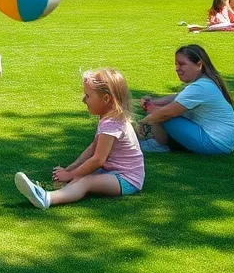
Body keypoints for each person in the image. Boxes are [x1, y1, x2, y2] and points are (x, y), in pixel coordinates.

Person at [14, 68, 143, 209]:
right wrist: (70, 170)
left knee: (86, 181)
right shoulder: (108, 119)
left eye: (88, 95)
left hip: (127, 179)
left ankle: (47, 198)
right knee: (81, 176)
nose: (83, 100)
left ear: (106, 99)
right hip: (114, 172)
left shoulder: (112, 124)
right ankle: (53, 191)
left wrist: (70, 175)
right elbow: (92, 148)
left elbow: (98, 160)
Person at [137, 44, 234, 155]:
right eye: (176, 64)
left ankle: (158, 145)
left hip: (214, 144)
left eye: (182, 64)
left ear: (199, 64)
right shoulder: (205, 82)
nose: (177, 69)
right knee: (156, 108)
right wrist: (153, 102)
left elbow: (168, 113)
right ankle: (161, 140)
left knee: (158, 112)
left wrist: (144, 121)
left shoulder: (200, 87)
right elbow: (178, 97)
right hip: (221, 143)